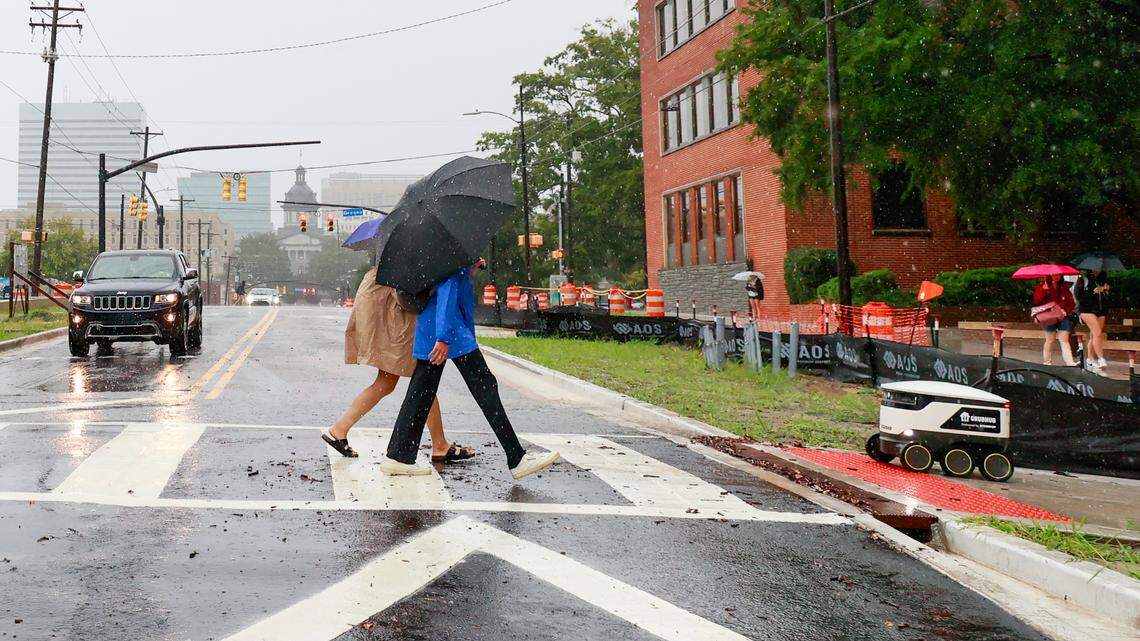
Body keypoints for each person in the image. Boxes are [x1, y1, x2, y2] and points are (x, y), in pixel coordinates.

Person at [381, 258, 560, 479]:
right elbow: (446, 289)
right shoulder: (451, 250)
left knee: (422, 391)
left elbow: (445, 284)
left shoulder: (442, 247)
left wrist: (468, 269)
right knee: (484, 385)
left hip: (434, 324)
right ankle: (517, 457)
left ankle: (399, 456)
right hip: (447, 328)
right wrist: (443, 337)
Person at [323, 265, 474, 463]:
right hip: (394, 303)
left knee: (398, 381)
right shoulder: (407, 247)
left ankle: (340, 429)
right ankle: (439, 445)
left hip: (388, 297)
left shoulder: (395, 248)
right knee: (421, 379)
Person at [1032, 274, 1078, 366]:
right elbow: (1037, 301)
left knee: (1064, 339)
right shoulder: (1042, 286)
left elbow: (1071, 303)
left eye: (1058, 275)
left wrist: (1065, 310)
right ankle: (1047, 361)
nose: (1056, 277)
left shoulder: (1064, 287)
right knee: (1050, 339)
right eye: (1053, 275)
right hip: (1049, 317)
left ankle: (1069, 362)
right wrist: (1044, 290)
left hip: (1062, 316)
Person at [1074, 269, 1110, 371]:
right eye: (1094, 268)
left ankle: (1090, 359)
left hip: (1101, 311)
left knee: (1094, 335)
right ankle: (1101, 359)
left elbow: (1108, 299)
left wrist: (1106, 291)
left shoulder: (1103, 280)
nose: (1096, 270)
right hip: (1086, 310)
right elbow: (1078, 296)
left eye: (1098, 269)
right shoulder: (1083, 280)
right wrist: (1092, 292)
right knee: (1098, 333)